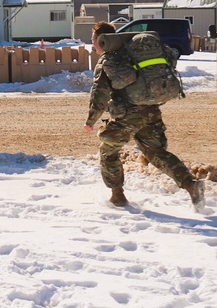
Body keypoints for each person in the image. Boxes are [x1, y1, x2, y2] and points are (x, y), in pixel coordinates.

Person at [83, 21, 204, 209]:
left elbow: (100, 94)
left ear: (102, 39)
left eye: (93, 40)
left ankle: (118, 196)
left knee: (108, 152)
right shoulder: (130, 53)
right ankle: (191, 185)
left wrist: (90, 121)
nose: (92, 44)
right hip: (150, 111)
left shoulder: (109, 60)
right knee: (156, 153)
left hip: (127, 116)